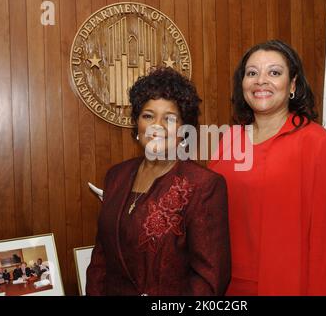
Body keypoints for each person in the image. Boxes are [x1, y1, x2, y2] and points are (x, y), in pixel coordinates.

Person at [208, 40, 326, 295]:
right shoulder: (230, 138)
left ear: (292, 84)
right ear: (243, 84)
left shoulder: (316, 143)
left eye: (274, 72)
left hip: (285, 284)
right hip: (225, 284)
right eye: (252, 73)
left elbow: (325, 243)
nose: (261, 81)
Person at [86, 67, 231, 296]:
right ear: (137, 124)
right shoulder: (116, 176)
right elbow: (100, 260)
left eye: (170, 118)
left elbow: (209, 280)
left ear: (184, 130)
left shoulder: (203, 185)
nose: (157, 126)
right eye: (148, 116)